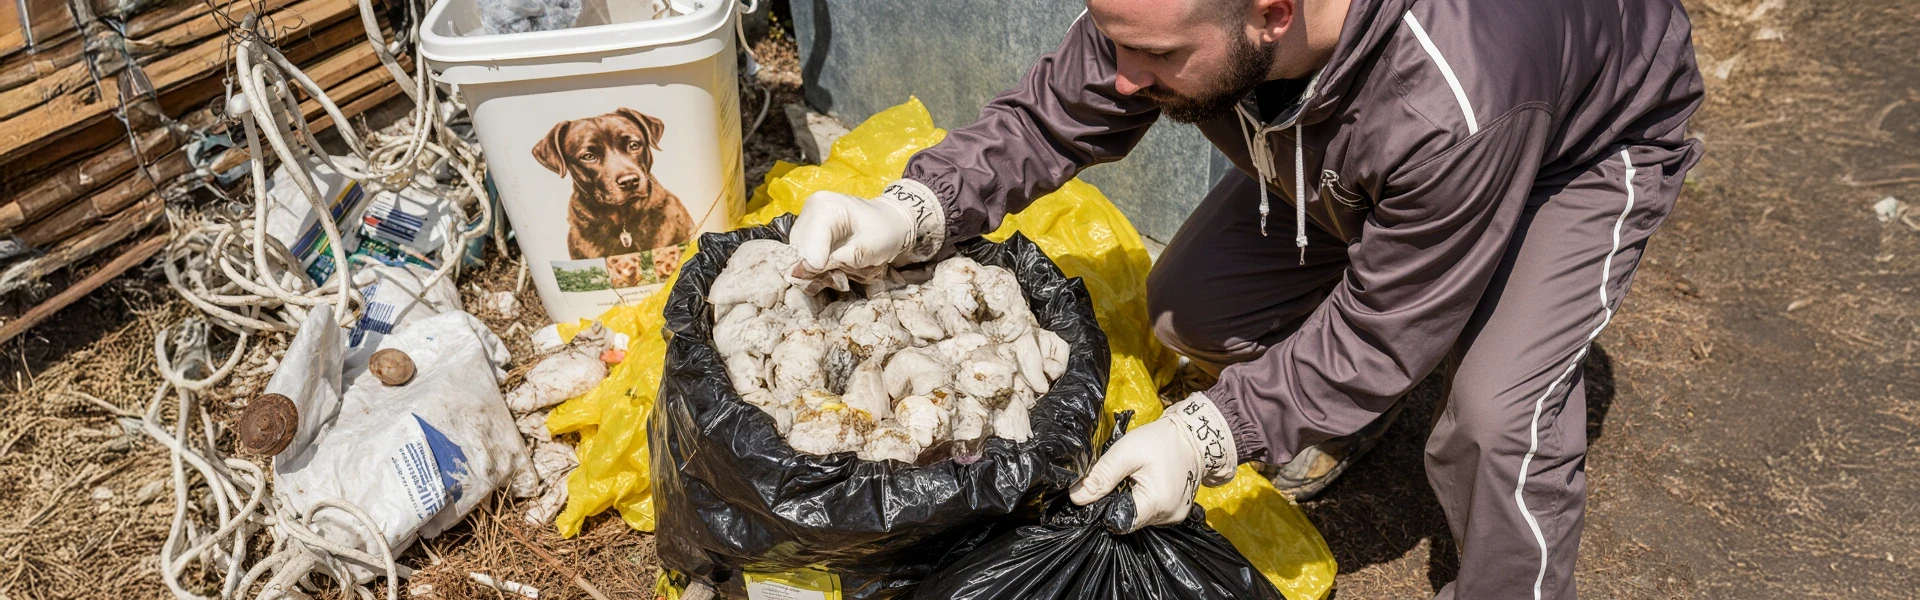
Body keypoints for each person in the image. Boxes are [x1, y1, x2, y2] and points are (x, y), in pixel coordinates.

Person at [788, 0, 1703, 596]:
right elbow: (1055, 113)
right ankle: (1344, 402)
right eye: (1116, 41)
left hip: (1576, 149)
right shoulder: (1177, 14)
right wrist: (913, 209)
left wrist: (1205, 435)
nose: (1123, 78)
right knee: (1191, 311)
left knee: (1497, 418)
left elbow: (1384, 333)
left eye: (1153, 57)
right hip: (1374, 145)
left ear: (1272, 14)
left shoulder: (1448, 103)